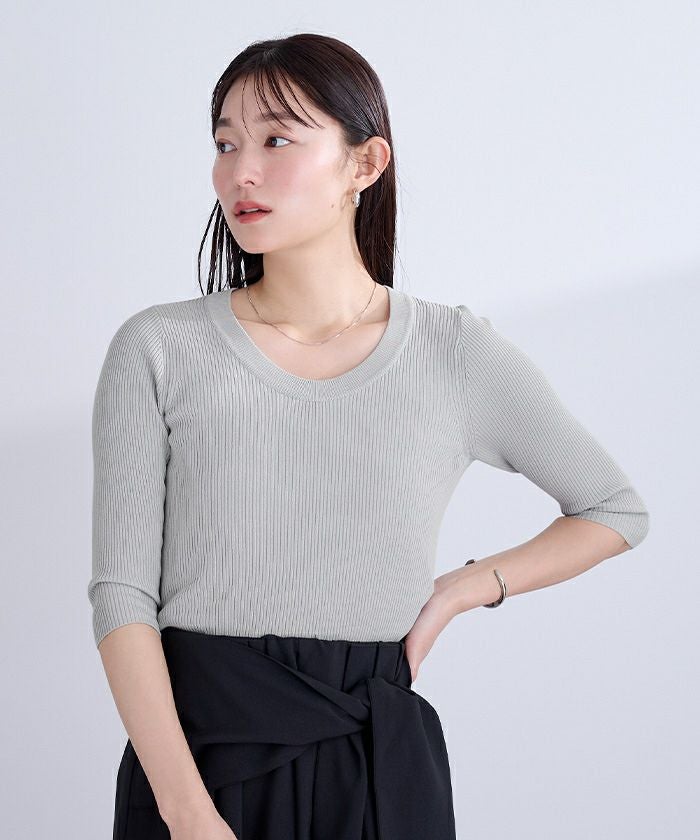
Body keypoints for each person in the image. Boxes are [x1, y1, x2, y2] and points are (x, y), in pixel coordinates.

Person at [87, 33, 650, 840]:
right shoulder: (159, 348)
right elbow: (122, 596)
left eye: (277, 139)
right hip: (198, 772)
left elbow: (614, 510)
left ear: (365, 162)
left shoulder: (454, 352)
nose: (240, 171)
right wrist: (187, 814)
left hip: (378, 771)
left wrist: (464, 588)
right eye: (226, 143)